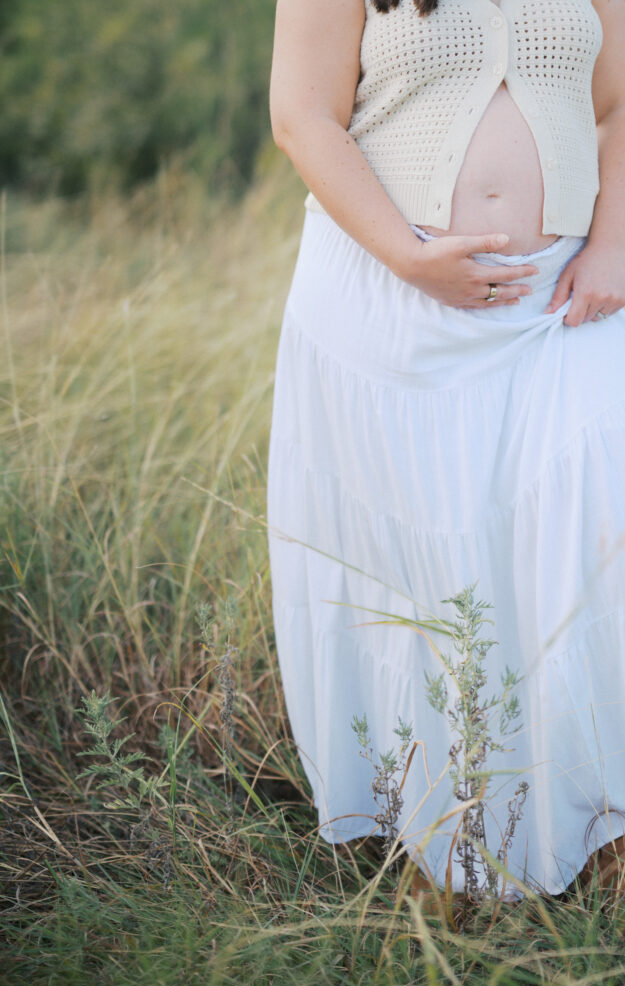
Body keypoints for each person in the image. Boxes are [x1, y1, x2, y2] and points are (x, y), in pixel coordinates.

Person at [267, 0, 625, 899]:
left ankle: (590, 824)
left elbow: (620, 103)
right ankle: (438, 840)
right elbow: (301, 116)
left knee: (592, 549)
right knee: (419, 575)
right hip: (386, 302)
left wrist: (616, 243)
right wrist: (407, 255)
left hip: (561, 301)